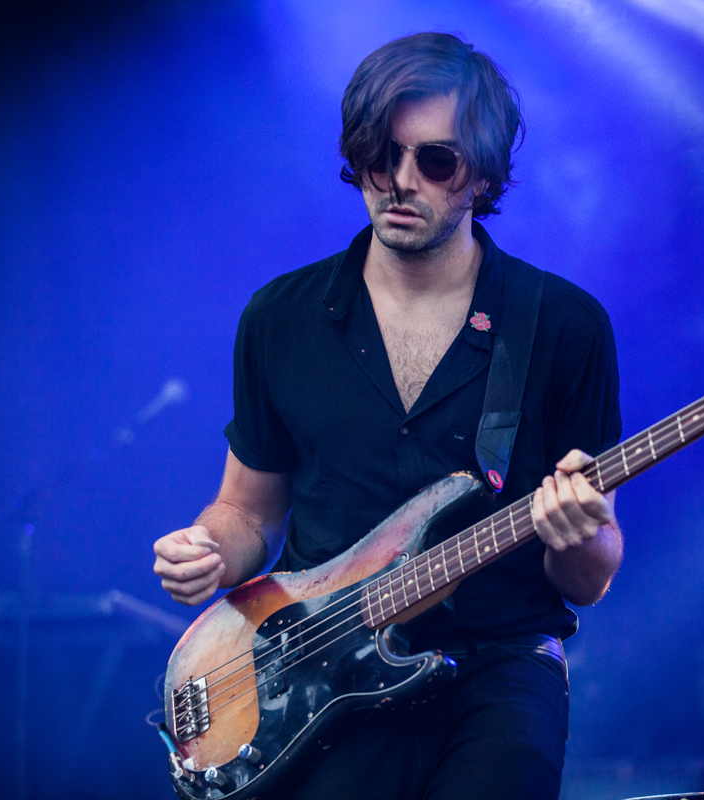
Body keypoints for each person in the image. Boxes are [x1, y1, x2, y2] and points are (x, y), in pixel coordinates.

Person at [153, 32, 622, 800]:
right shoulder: (281, 317)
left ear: (482, 174)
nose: (401, 182)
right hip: (316, 671)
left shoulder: (564, 325)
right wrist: (208, 550)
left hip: (496, 668)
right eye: (379, 156)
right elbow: (246, 510)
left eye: (436, 161)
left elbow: (587, 577)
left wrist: (584, 532)